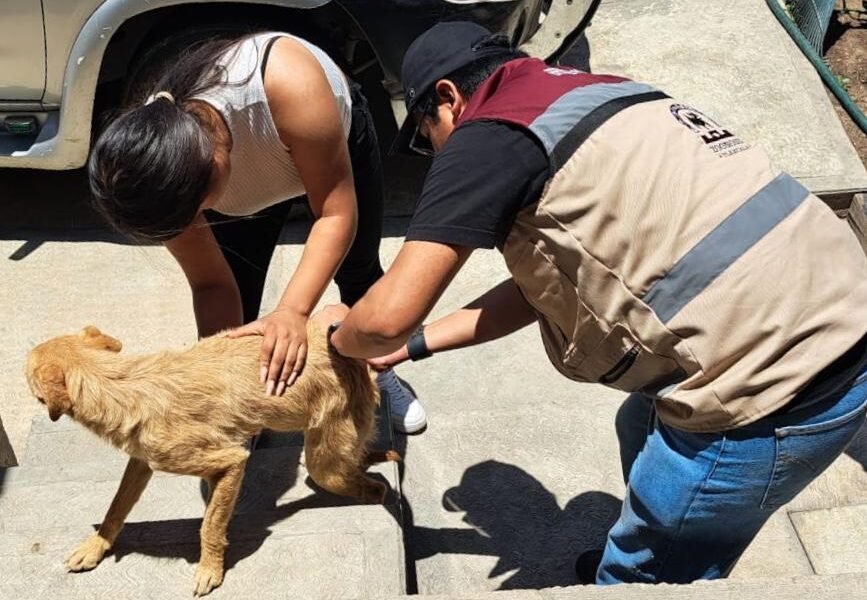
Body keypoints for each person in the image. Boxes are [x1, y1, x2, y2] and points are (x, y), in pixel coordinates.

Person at [311, 21, 867, 584]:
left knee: (639, 576)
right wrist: (412, 348)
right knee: (639, 423)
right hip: (839, 309)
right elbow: (542, 290)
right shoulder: (597, 92)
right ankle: (661, 548)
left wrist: (339, 336)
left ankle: (649, 570)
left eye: (423, 135)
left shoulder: (489, 131)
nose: (430, 152)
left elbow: (382, 320)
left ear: (448, 98)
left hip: (778, 385)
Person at [88, 31, 426, 434]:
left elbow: (336, 214)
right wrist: (219, 384)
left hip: (325, 136)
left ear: (212, 165)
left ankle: (378, 369)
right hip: (242, 165)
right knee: (240, 312)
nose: (198, 222)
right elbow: (212, 285)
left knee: (358, 271)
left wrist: (293, 312)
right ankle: (248, 402)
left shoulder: (288, 83)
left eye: (199, 210)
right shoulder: (155, 174)